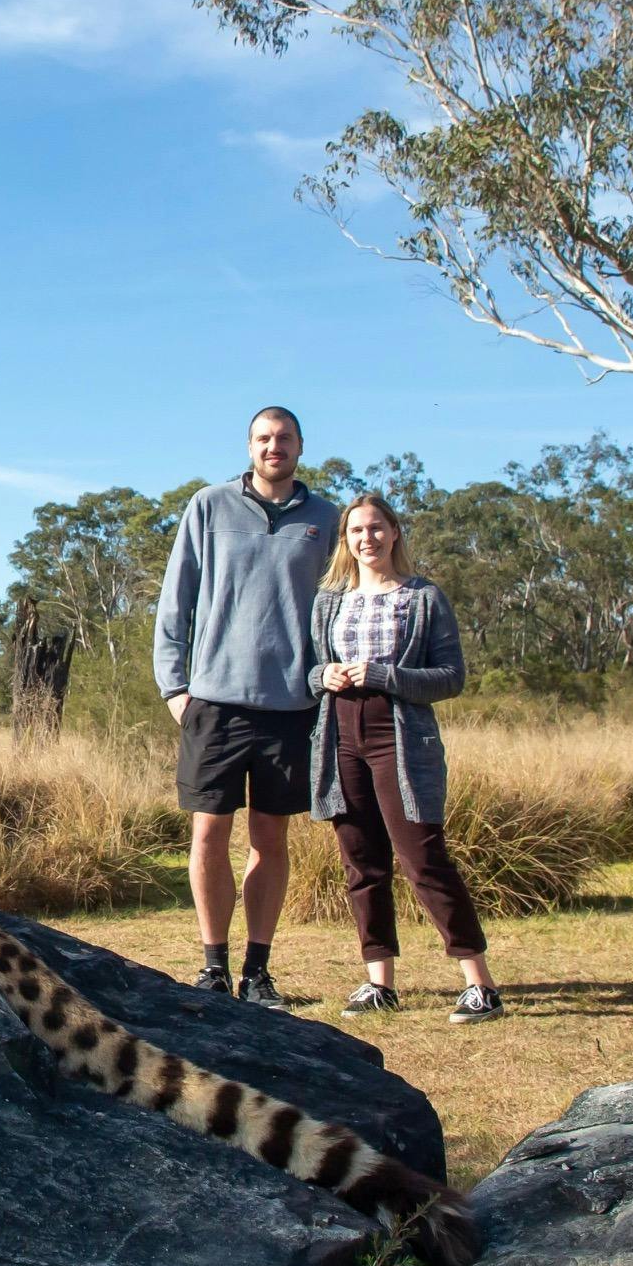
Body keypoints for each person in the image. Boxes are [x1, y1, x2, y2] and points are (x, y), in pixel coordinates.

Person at [154, 405, 341, 1009]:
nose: (274, 447)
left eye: (284, 438)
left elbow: (340, 607)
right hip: (213, 703)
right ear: (249, 446)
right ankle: (212, 967)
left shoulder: (327, 520)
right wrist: (176, 689)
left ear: (300, 447)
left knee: (271, 839)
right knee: (208, 834)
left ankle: (257, 972)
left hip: (290, 706)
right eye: (264, 438)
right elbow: (175, 600)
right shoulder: (208, 506)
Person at [307, 493, 506, 1024]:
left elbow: (450, 677)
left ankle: (479, 984)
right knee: (361, 863)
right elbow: (311, 669)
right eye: (355, 531)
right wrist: (322, 677)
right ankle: (379, 982)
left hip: (399, 737)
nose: (366, 538)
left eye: (376, 528)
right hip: (338, 736)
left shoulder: (423, 598)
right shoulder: (329, 599)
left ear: (394, 534)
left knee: (423, 858)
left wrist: (382, 676)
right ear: (345, 540)